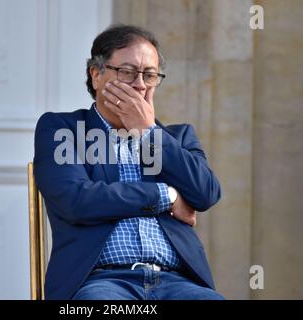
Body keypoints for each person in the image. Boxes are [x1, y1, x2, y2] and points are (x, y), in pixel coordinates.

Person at [33, 24, 224, 300]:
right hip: (101, 282)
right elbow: (76, 200)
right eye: (127, 72)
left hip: (177, 282)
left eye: (149, 75)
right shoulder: (64, 130)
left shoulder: (177, 137)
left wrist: (148, 133)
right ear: (96, 75)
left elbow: (206, 193)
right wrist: (167, 196)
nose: (140, 84)